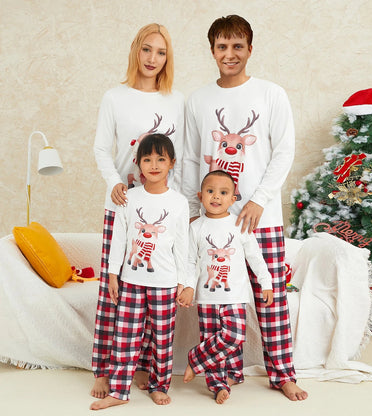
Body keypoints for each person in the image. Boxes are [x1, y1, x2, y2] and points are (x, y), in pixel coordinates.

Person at [182, 15, 308, 401]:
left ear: (250, 49)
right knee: (220, 304)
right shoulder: (198, 99)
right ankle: (224, 370)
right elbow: (189, 158)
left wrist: (257, 199)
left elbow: (284, 150)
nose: (230, 54)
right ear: (212, 51)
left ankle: (282, 374)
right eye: (222, 46)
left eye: (238, 46)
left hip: (260, 218)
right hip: (213, 222)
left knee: (271, 300)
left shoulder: (271, 94)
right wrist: (192, 210)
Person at [91, 23, 185, 399]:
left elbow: (186, 153)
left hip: (160, 209)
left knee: (153, 293)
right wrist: (114, 180)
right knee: (115, 294)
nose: (152, 59)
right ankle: (103, 368)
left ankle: (145, 368)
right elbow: (101, 148)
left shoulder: (176, 100)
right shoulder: (115, 97)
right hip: (123, 204)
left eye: (160, 53)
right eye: (147, 50)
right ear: (136, 51)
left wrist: (187, 208)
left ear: (167, 58)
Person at [90, 134, 189, 410]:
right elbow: (118, 240)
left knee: (162, 338)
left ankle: (159, 386)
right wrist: (112, 274)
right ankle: (119, 390)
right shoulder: (128, 198)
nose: (153, 164)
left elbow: (182, 247)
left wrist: (185, 282)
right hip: (131, 281)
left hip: (165, 283)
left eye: (160, 159)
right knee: (125, 337)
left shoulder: (179, 202)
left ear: (172, 163)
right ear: (138, 164)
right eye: (147, 159)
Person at [177, 170, 273, 404]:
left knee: (233, 336)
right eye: (210, 191)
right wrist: (188, 286)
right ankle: (218, 385)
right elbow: (190, 261)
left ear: (233, 198)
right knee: (212, 340)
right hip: (207, 297)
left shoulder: (239, 225)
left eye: (223, 192)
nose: (216, 197)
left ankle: (195, 358)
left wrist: (266, 281)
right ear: (200, 196)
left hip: (236, 296)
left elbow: (255, 257)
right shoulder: (196, 227)